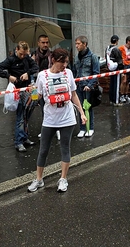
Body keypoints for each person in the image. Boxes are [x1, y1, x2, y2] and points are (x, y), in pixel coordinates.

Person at [27, 48, 87, 193]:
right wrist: (32, 91)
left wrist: (82, 113)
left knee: (65, 148)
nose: (65, 65)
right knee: (43, 150)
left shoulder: (69, 73)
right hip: (49, 118)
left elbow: (73, 94)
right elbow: (38, 97)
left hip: (67, 117)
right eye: (62, 62)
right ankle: (39, 179)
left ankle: (63, 178)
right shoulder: (42, 75)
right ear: (53, 60)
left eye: (66, 62)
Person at [0, 41, 39, 151]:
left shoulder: (27, 58)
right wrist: (9, 76)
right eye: (21, 54)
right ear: (16, 50)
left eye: (25, 54)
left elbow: (36, 67)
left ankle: (24, 137)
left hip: (29, 89)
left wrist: (27, 73)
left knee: (27, 115)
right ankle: (18, 142)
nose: (23, 56)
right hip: (17, 91)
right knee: (20, 117)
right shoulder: (10, 60)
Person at [31, 35, 59, 140]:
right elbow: (31, 71)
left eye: (47, 42)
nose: (45, 45)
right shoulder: (33, 55)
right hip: (39, 84)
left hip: (51, 85)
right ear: (38, 43)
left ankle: (57, 129)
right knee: (44, 109)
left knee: (55, 107)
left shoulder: (51, 55)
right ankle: (46, 130)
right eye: (43, 42)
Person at [74, 35, 100, 138]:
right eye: (76, 44)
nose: (76, 46)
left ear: (84, 44)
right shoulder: (76, 57)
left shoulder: (93, 56)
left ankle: (90, 127)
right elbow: (75, 71)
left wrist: (90, 84)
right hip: (79, 86)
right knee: (80, 108)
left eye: (78, 44)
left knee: (88, 107)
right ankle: (82, 128)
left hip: (88, 86)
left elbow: (96, 72)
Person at [105, 35, 123, 106]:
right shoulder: (116, 49)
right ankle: (116, 101)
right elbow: (119, 60)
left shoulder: (107, 48)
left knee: (112, 83)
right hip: (116, 68)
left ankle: (111, 99)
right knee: (116, 84)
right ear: (117, 41)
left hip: (110, 67)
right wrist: (122, 69)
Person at [118, 36, 130, 104]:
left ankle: (126, 95)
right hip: (124, 66)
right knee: (124, 81)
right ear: (128, 41)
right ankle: (121, 95)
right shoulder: (121, 48)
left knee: (128, 81)